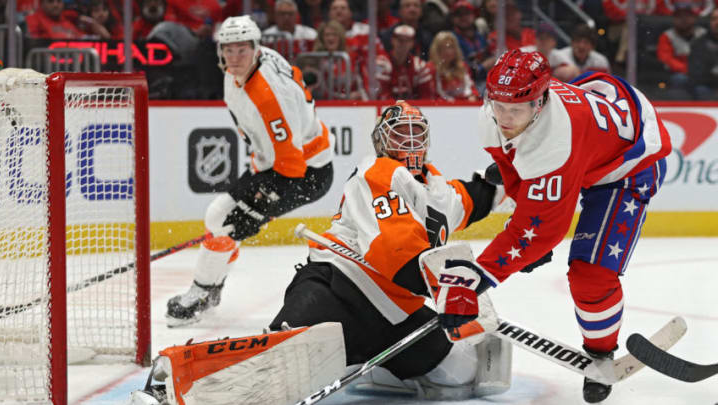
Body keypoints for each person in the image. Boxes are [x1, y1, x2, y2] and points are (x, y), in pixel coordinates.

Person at [129, 101, 516, 405]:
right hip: (339, 289)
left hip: (398, 314)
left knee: (461, 378)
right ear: (382, 142)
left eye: (417, 134)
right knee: (277, 369)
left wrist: (506, 177)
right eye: (400, 135)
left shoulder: (440, 191)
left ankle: (364, 361)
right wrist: (450, 291)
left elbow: (476, 197)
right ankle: (173, 375)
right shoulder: (379, 172)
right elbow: (397, 253)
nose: (409, 142)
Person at [432, 50, 672, 403]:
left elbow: (541, 229)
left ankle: (600, 353)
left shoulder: (555, 143)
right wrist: (526, 227)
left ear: (540, 103)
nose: (505, 118)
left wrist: (480, 275)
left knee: (590, 275)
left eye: (517, 109)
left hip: (628, 164)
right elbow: (515, 173)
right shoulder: (498, 113)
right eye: (498, 105)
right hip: (597, 117)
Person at [165, 15, 335, 327]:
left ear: (256, 49)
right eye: (228, 50)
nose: (235, 57)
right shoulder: (240, 69)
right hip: (276, 164)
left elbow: (291, 167)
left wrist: (259, 210)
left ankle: (203, 290)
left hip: (305, 173)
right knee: (221, 219)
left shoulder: (270, 96)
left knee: (223, 219)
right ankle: (209, 287)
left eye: (242, 50)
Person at [658, 2, 705, 98]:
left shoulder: (703, 34)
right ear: (674, 19)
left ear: (694, 18)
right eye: (679, 16)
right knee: (680, 79)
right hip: (678, 75)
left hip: (702, 76)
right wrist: (688, 70)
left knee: (704, 90)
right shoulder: (667, 36)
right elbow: (666, 59)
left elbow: (708, 57)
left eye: (687, 16)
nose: (683, 19)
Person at [377, 24, 435, 100]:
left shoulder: (420, 66)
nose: (403, 44)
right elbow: (381, 95)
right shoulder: (381, 63)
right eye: (400, 40)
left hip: (412, 109)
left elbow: (426, 97)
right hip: (388, 110)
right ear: (392, 40)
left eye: (407, 40)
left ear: (412, 43)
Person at [427, 31, 480, 101]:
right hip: (442, 108)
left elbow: (472, 89)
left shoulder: (462, 66)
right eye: (443, 48)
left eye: (450, 47)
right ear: (437, 50)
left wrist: (473, 96)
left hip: (463, 105)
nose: (447, 51)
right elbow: (432, 96)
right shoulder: (431, 69)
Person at [688, 8, 718, 99]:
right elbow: (696, 74)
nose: (717, 22)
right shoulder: (699, 43)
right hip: (709, 87)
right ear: (709, 22)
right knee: (700, 90)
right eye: (714, 19)